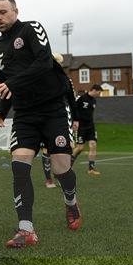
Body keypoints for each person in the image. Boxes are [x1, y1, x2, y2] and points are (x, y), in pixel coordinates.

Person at [0, 0, 81, 248]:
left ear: (15, 11)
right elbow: (8, 86)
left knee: (61, 168)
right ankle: (26, 229)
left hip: (53, 109)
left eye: (3, 12)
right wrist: (2, 111)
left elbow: (43, 63)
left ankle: (71, 201)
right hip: (25, 115)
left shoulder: (31, 29)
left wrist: (11, 84)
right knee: (20, 166)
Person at [41, 52, 80, 188]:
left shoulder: (66, 79)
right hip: (45, 116)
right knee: (46, 148)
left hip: (62, 116)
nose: (58, 64)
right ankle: (48, 180)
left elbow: (71, 100)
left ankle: (61, 175)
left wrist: (76, 119)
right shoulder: (41, 78)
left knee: (64, 146)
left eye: (60, 62)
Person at [71, 84, 103, 175]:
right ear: (94, 90)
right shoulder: (82, 98)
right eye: (99, 92)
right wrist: (74, 121)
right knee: (80, 148)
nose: (99, 94)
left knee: (93, 145)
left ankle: (91, 169)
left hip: (91, 126)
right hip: (81, 126)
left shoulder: (94, 101)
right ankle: (68, 163)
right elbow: (74, 109)